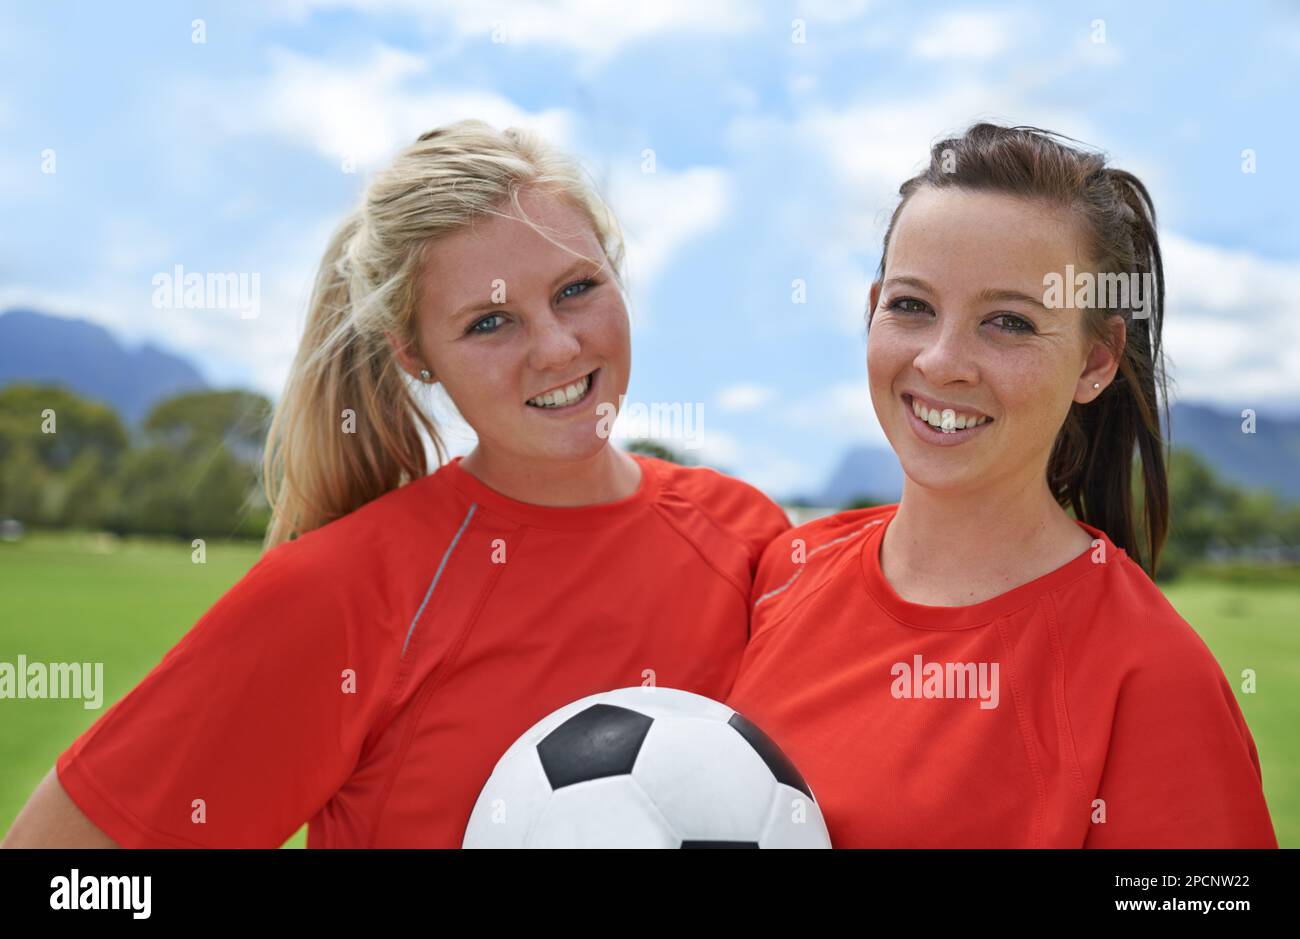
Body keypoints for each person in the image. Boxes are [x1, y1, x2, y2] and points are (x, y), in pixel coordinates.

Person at [3, 120, 789, 848]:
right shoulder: (342, 592)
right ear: (413, 356)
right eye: (489, 323)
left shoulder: (749, 538)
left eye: (576, 288)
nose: (556, 346)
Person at [725, 123, 1278, 848]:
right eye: (912, 305)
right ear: (871, 308)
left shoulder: (1152, 677)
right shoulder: (783, 573)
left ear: (1096, 360)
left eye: (1009, 322)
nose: (942, 360)